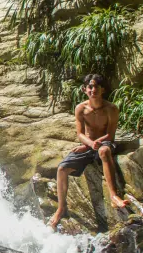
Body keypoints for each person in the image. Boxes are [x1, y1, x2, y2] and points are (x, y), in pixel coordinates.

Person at [48, 74, 130, 230]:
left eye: (96, 87)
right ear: (85, 89)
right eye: (90, 87)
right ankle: (61, 208)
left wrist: (97, 144)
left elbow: (111, 135)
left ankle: (113, 195)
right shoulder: (81, 108)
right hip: (89, 144)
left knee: (104, 151)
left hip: (105, 142)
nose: (93, 90)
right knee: (62, 169)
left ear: (102, 89)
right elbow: (80, 134)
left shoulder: (111, 109)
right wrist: (89, 144)